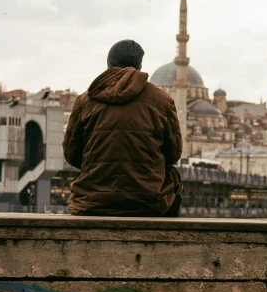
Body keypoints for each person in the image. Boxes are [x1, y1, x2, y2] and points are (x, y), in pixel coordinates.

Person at [63, 39, 183, 216]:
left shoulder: (85, 101)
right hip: (149, 202)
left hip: (91, 202)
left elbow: (72, 155)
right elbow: (173, 154)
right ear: (139, 66)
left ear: (108, 65)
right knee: (174, 178)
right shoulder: (162, 100)